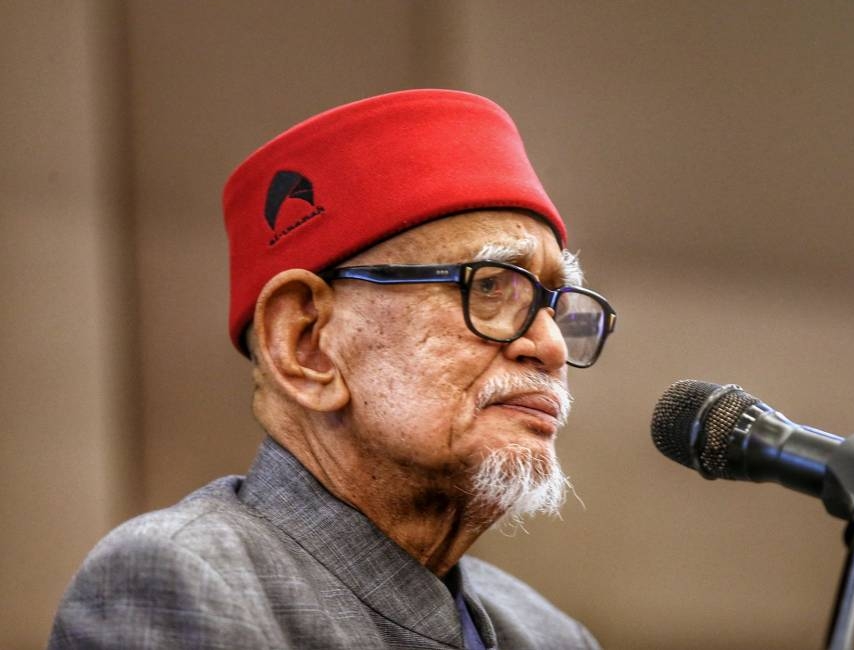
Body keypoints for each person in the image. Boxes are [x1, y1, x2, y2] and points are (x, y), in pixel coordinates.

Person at [48, 89, 616, 649]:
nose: (549, 346)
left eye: (554, 303)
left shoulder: (551, 634)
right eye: (491, 287)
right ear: (306, 345)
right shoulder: (188, 580)